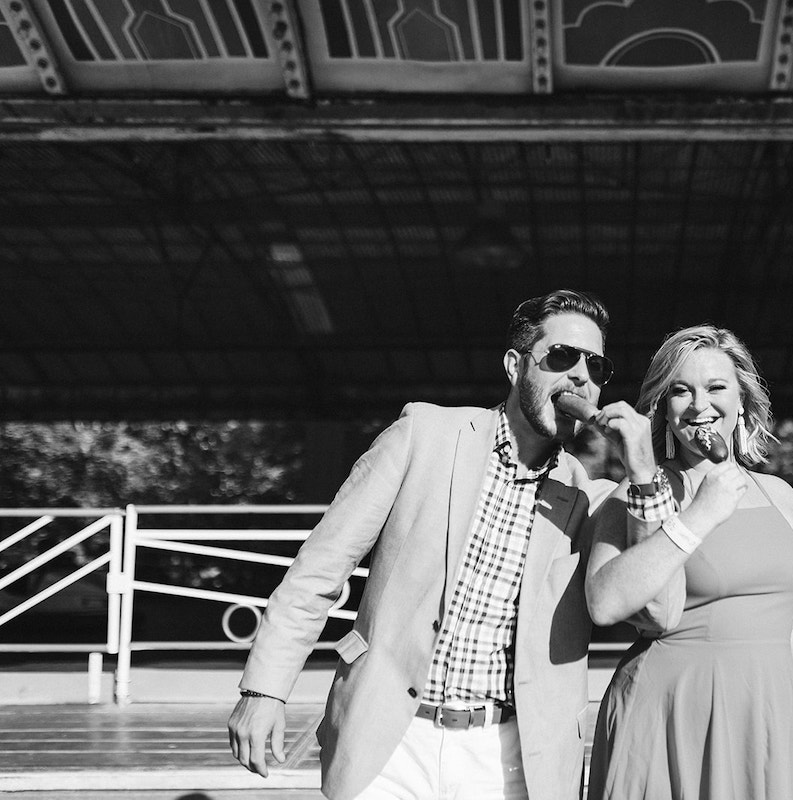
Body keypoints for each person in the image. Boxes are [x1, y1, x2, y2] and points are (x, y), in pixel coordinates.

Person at [228, 289, 671, 800]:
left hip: (509, 761)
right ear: (514, 365)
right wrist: (264, 689)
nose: (581, 376)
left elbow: (655, 612)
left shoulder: (591, 500)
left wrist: (644, 472)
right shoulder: (424, 434)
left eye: (597, 367)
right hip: (389, 744)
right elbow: (318, 571)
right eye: (562, 357)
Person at [585, 324, 793, 800]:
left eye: (716, 387)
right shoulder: (635, 494)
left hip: (773, 717)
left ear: (742, 400)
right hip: (671, 715)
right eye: (680, 391)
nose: (699, 404)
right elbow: (604, 602)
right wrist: (698, 513)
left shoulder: (781, 496)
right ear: (664, 407)